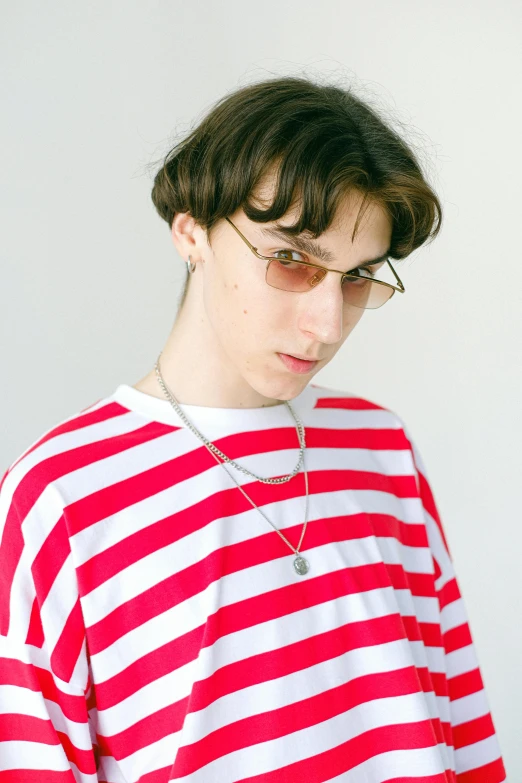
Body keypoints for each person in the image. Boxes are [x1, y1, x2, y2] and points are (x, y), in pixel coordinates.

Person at [0, 76, 507, 782]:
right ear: (192, 230)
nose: (328, 325)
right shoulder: (60, 496)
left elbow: (459, 722)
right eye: (292, 259)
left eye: (357, 276)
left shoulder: (381, 448)